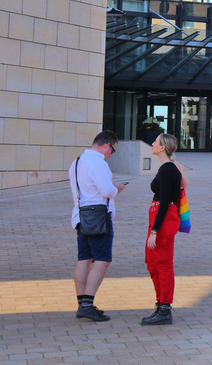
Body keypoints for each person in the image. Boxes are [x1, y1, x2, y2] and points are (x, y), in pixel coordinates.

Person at [69, 130, 127, 322]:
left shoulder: (76, 162)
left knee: (84, 259)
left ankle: (82, 304)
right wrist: (117, 187)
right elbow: (107, 190)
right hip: (99, 217)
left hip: (81, 216)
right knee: (103, 260)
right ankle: (87, 305)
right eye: (113, 150)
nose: (111, 154)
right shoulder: (98, 163)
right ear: (106, 145)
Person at [141, 133, 189, 325]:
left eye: (155, 141)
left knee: (163, 263)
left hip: (162, 220)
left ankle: (164, 308)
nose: (152, 143)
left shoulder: (168, 169)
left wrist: (154, 231)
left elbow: (166, 202)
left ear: (162, 148)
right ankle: (160, 304)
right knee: (153, 263)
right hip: (160, 219)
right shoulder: (167, 167)